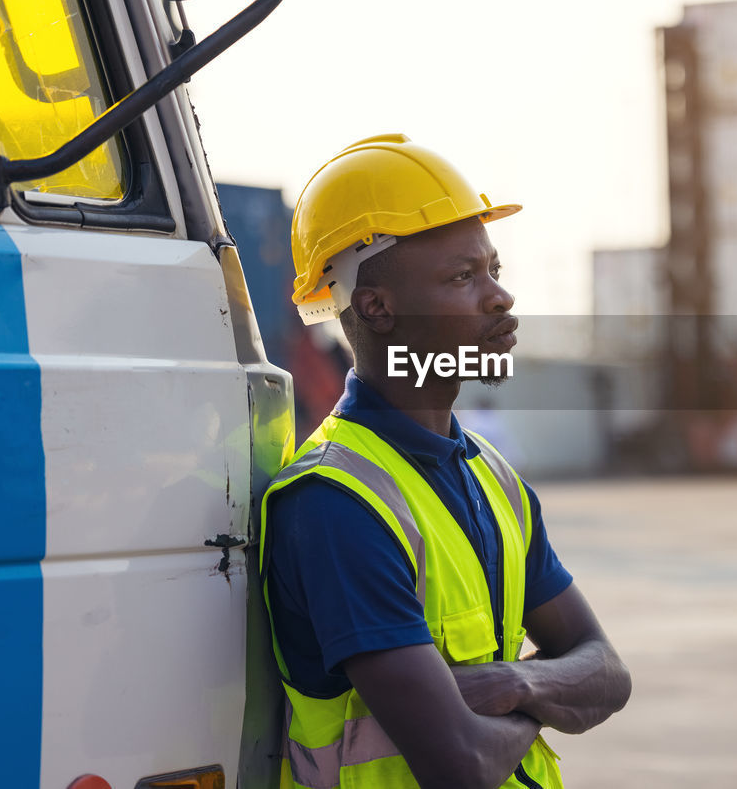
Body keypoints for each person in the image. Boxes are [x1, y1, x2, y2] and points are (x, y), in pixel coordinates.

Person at [260, 134, 632, 789]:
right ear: (377, 307)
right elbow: (458, 763)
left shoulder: (494, 480)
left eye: (495, 270)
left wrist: (511, 682)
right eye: (463, 277)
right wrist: (548, 697)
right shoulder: (335, 504)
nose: (500, 298)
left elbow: (608, 674)